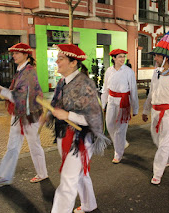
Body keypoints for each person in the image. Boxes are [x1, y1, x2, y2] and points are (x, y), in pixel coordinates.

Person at [43, 44, 110, 213]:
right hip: (63, 135)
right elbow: (56, 106)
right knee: (79, 175)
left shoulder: (85, 84)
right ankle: (89, 204)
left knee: (67, 181)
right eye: (57, 58)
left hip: (80, 139)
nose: (56, 61)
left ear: (73, 63)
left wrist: (68, 115)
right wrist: (48, 115)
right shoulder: (61, 82)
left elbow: (94, 118)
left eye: (61, 58)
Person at [0, 43, 48, 185]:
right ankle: (5, 176)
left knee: (34, 146)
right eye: (13, 53)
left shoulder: (28, 72)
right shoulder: (21, 70)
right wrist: (1, 90)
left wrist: (0, 90)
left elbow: (20, 96)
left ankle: (42, 173)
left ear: (25, 54)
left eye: (17, 53)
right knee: (12, 145)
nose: (13, 55)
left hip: (29, 115)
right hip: (19, 114)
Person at [142, 8, 169, 185]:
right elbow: (151, 93)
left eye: (157, 56)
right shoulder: (156, 73)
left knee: (163, 144)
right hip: (155, 113)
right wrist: (146, 109)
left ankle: (157, 173)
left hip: (168, 116)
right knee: (157, 140)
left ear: (166, 58)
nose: (155, 59)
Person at [101, 49, 139, 164]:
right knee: (110, 125)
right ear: (113, 58)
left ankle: (118, 153)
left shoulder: (129, 72)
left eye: (124, 56)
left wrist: (135, 107)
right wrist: (103, 104)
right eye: (120, 57)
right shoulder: (109, 71)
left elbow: (133, 90)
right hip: (112, 101)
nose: (122, 59)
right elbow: (105, 88)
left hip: (124, 103)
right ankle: (122, 143)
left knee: (120, 129)